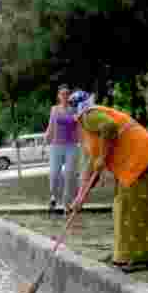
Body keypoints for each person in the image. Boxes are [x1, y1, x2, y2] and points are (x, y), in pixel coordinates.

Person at [68, 90, 148, 272]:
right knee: (128, 209)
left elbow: (110, 127)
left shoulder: (88, 116)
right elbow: (92, 166)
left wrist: (103, 157)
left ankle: (134, 258)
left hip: (143, 161)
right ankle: (133, 256)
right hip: (145, 160)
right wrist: (80, 197)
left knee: (130, 209)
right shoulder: (89, 128)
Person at [45, 84, 81, 213]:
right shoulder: (54, 109)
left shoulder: (75, 110)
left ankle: (66, 204)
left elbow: (79, 128)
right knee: (54, 175)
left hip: (71, 146)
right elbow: (51, 126)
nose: (65, 96)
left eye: (67, 94)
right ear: (59, 96)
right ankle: (54, 196)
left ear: (69, 96)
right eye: (62, 94)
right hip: (56, 146)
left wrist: (82, 142)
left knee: (69, 175)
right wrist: (46, 139)